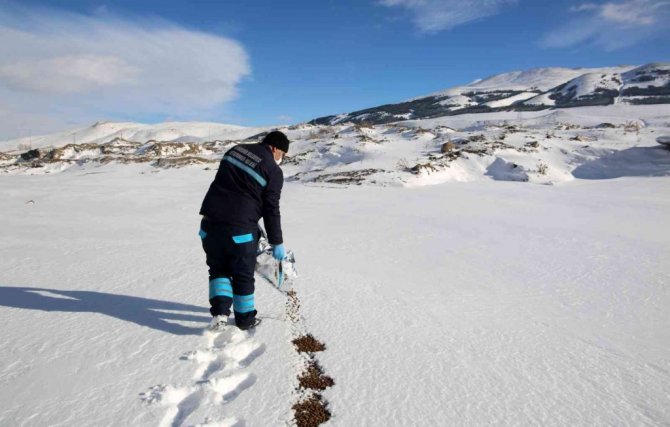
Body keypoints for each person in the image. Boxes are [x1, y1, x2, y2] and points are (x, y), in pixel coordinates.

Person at [198, 130, 289, 331]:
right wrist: (277, 241)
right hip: (240, 231)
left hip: (210, 223)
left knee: (218, 269)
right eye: (282, 153)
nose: (281, 158)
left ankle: (220, 314)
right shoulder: (273, 171)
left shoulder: (235, 150)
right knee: (242, 275)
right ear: (275, 148)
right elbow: (271, 209)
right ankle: (245, 319)